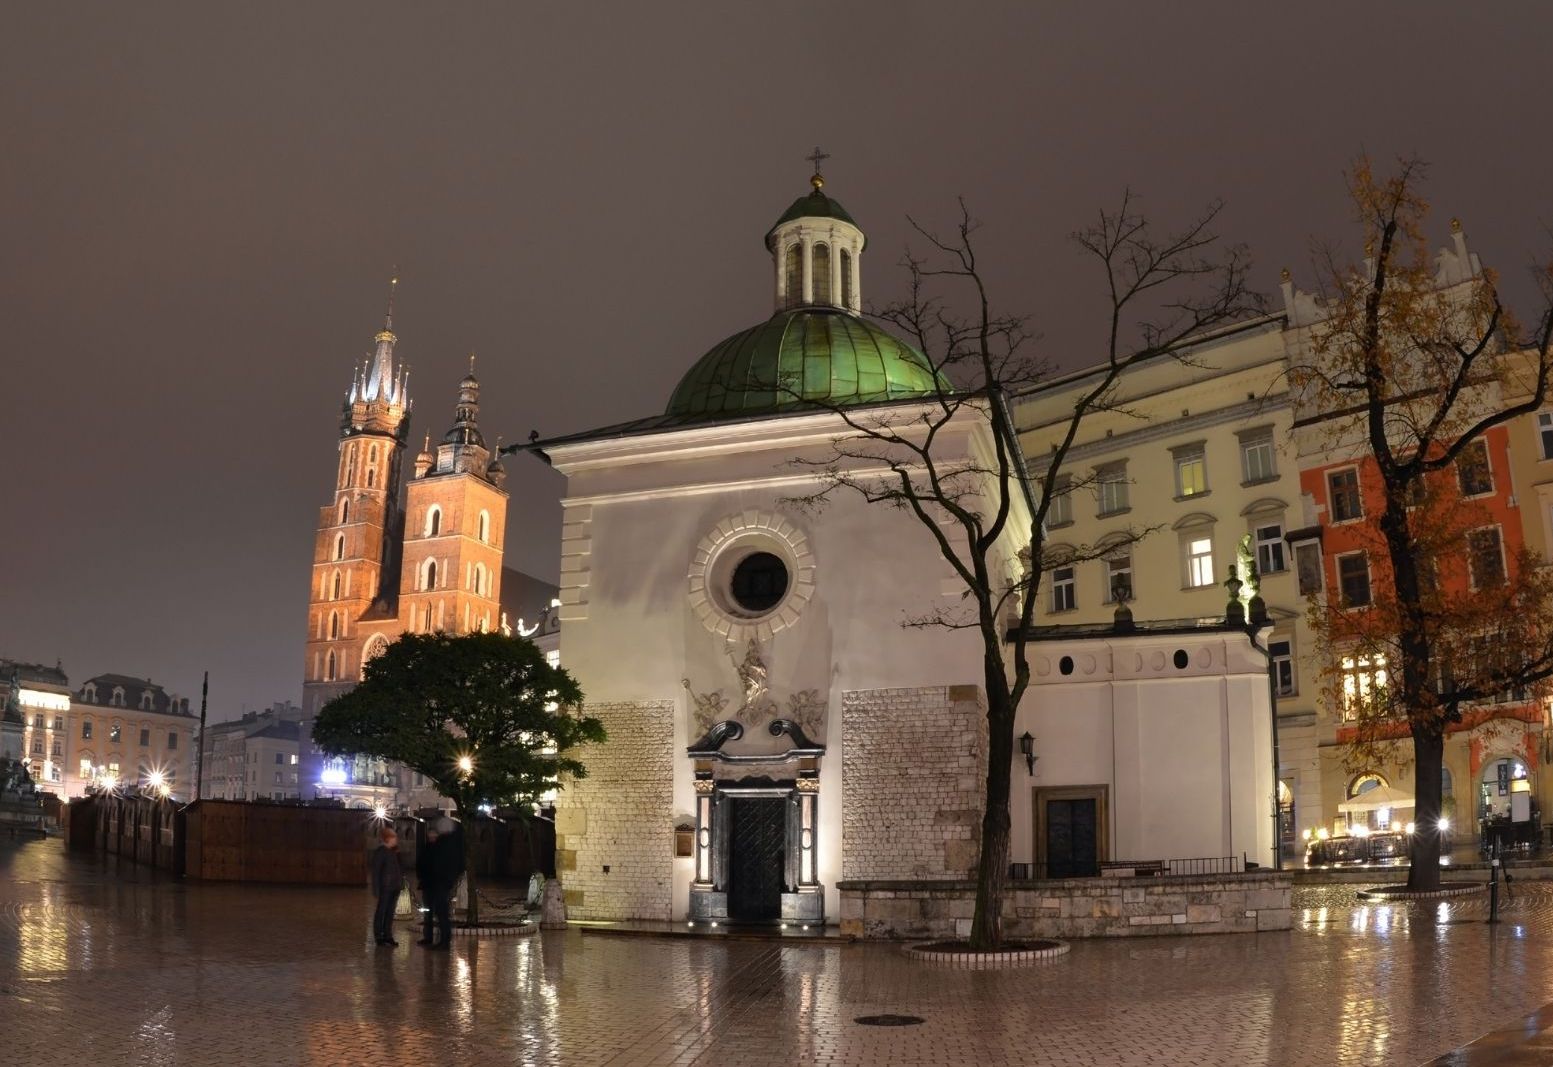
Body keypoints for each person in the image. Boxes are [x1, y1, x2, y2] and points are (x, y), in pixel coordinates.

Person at [420, 817, 466, 949]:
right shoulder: (455, 842)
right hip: (443, 882)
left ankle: (444, 942)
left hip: (441, 882)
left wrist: (444, 877)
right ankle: (443, 940)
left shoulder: (445, 843)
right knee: (441, 912)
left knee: (442, 912)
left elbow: (439, 863)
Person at [369, 826, 404, 947]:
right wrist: (376, 889)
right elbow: (376, 871)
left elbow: (399, 868)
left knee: (390, 912)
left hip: (395, 886)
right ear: (388, 838)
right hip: (386, 887)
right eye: (394, 837)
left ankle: (388, 935)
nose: (396, 839)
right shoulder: (381, 851)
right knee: (382, 911)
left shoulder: (394, 851)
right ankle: (379, 936)